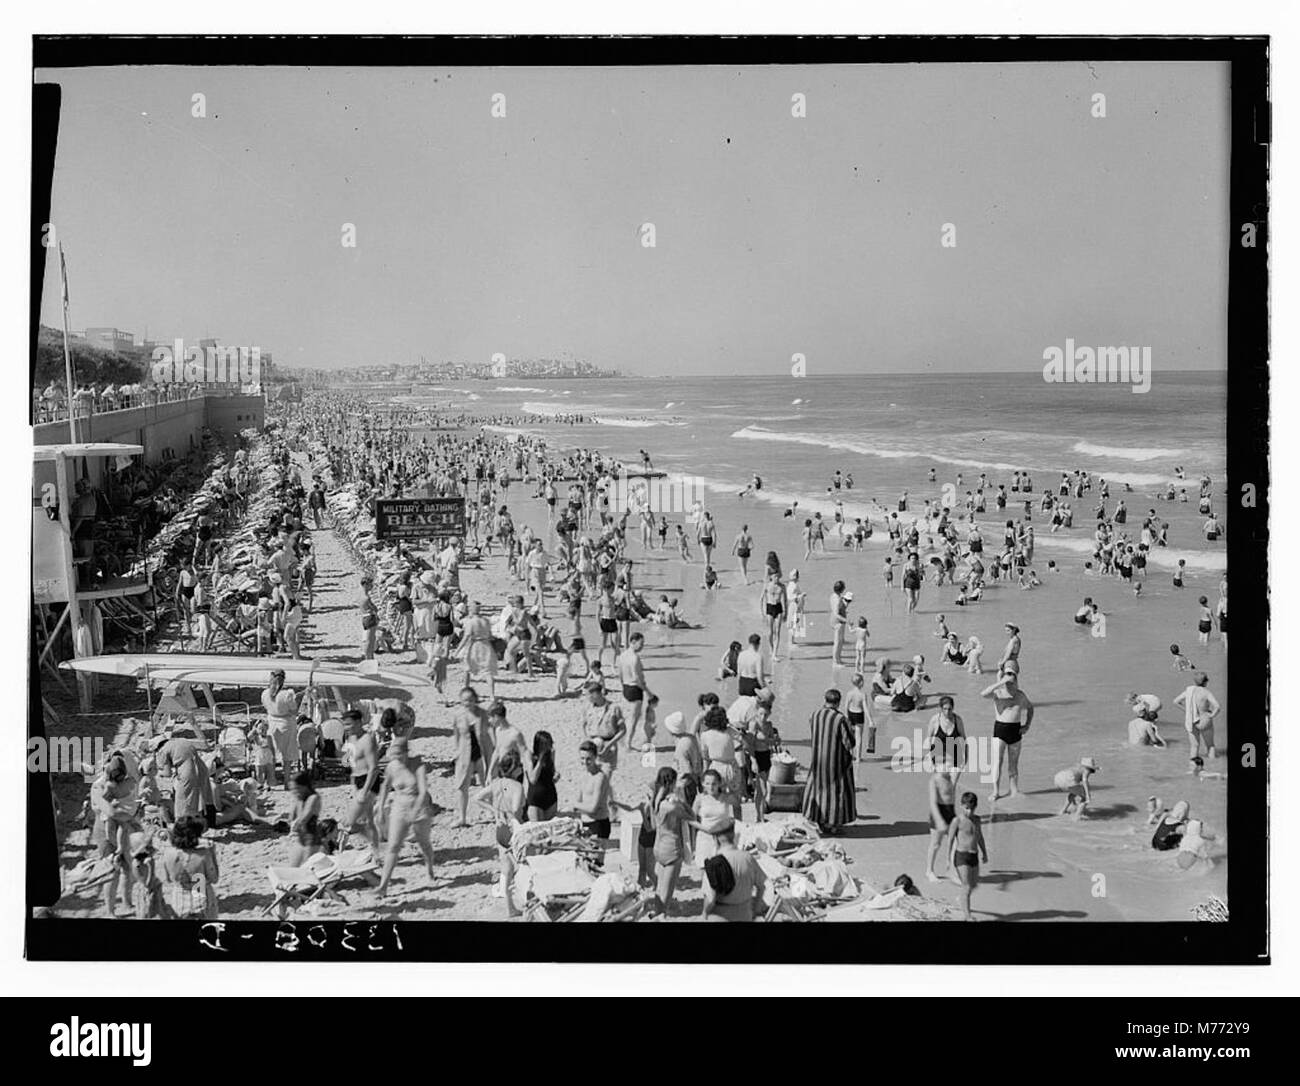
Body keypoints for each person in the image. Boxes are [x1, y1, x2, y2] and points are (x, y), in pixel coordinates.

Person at [374, 736, 438, 897]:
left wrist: (415, 812)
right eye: (394, 756)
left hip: (419, 806)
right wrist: (381, 808)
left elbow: (423, 792)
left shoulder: (418, 765)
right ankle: (383, 886)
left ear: (406, 753)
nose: (397, 759)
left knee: (424, 843)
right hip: (400, 805)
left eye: (400, 755)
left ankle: (430, 868)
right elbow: (385, 787)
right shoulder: (392, 767)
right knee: (393, 846)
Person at [472, 749, 526, 918]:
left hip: (500, 831)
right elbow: (517, 809)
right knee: (524, 865)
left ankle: (510, 907)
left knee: (507, 869)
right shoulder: (517, 787)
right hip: (514, 830)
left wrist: (495, 810)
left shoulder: (497, 783)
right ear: (515, 768)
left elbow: (477, 798)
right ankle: (522, 901)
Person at [802, 688, 857, 835]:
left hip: (817, 759)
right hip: (835, 763)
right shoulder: (840, 719)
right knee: (834, 794)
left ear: (825, 699)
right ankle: (832, 824)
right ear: (838, 702)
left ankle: (818, 819)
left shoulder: (815, 715)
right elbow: (850, 743)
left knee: (818, 790)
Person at [981, 668, 1034, 802]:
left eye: (1012, 683)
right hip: (1000, 730)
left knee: (1013, 764)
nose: (1010, 685)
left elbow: (1030, 708)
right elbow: (983, 694)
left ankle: (1014, 790)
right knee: (997, 762)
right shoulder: (998, 693)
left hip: (1015, 730)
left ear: (1017, 682)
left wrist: (1027, 725)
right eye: (1008, 683)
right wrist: (1000, 682)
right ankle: (996, 791)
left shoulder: (1020, 695)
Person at [700, 818, 767, 922]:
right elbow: (762, 886)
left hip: (721, 915)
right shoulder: (748, 858)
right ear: (733, 835)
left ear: (716, 839)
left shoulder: (714, 864)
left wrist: (704, 913)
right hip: (744, 914)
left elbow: (710, 899)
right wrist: (756, 909)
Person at [160, 815, 220, 920]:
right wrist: (212, 853)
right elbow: (214, 878)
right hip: (200, 894)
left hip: (179, 899)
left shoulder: (168, 853)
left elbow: (168, 880)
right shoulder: (202, 855)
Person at [342, 710, 382, 852]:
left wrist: (364, 791)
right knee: (369, 821)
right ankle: (377, 850)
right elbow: (348, 762)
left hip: (369, 782)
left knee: (349, 822)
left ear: (359, 723)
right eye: (345, 724)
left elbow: (374, 768)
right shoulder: (351, 739)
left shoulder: (368, 739)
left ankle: (378, 846)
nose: (347, 727)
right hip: (357, 780)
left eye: (349, 724)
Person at [945, 792, 988, 921]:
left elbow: (979, 837)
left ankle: (962, 899)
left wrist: (985, 853)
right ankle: (967, 916)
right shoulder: (956, 821)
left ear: (975, 807)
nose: (968, 811)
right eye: (966, 808)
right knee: (967, 886)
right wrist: (947, 859)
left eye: (971, 808)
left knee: (974, 885)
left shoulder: (977, 820)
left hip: (974, 856)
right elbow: (950, 840)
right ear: (961, 806)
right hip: (961, 856)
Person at [261, 669, 300, 791]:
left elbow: (266, 706)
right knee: (286, 755)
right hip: (286, 724)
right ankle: (287, 781)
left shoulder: (265, 693)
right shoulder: (287, 694)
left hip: (272, 723)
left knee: (272, 755)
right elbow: (294, 710)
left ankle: (271, 780)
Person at [581, 681, 626, 777]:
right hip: (592, 748)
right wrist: (587, 740)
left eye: (588, 695)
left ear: (596, 694)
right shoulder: (587, 708)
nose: (587, 698)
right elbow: (583, 725)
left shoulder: (614, 708)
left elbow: (622, 730)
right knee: (592, 779)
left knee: (605, 779)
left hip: (608, 747)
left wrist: (609, 745)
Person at [618, 632, 655, 750]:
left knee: (629, 716)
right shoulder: (635, 658)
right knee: (634, 719)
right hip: (635, 689)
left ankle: (623, 740)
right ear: (633, 642)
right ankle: (628, 743)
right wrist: (647, 691)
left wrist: (622, 686)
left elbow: (620, 673)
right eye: (641, 644)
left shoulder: (622, 655)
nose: (642, 646)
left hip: (625, 686)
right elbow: (637, 678)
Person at [926, 759, 960, 883]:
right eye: (944, 764)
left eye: (949, 764)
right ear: (936, 766)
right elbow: (933, 803)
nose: (948, 766)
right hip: (938, 812)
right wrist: (939, 820)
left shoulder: (950, 778)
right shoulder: (934, 780)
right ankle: (929, 871)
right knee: (936, 844)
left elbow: (952, 797)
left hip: (950, 812)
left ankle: (952, 869)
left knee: (957, 842)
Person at [573, 741, 614, 843]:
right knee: (583, 858)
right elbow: (578, 801)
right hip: (585, 823)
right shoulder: (584, 775)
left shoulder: (600, 777)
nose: (585, 762)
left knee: (595, 858)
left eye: (588, 759)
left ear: (595, 757)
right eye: (582, 758)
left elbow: (593, 808)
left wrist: (575, 805)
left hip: (599, 824)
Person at [1174, 672, 1221, 759]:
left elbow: (1176, 701)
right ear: (1205, 682)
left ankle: (1193, 768)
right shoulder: (1206, 692)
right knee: (1210, 746)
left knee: (1194, 746)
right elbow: (1217, 707)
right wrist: (1211, 715)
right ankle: (1213, 766)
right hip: (1204, 720)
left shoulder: (1188, 691)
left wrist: (1186, 710)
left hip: (1191, 720)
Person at [525, 730, 559, 821]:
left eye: (549, 744)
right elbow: (533, 779)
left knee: (550, 830)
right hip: (535, 799)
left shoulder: (551, 754)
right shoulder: (530, 755)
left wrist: (556, 775)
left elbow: (552, 771)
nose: (547, 747)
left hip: (550, 797)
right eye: (544, 744)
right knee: (537, 829)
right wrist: (540, 761)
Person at [844, 673, 875, 758]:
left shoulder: (849, 693)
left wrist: (846, 717)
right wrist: (870, 720)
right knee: (859, 738)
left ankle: (850, 755)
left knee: (851, 736)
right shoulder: (862, 694)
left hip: (851, 714)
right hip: (859, 715)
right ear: (861, 683)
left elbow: (846, 706)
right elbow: (865, 708)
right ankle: (858, 757)